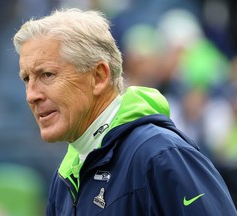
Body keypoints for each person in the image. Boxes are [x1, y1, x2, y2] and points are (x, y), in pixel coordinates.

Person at [13, 8, 237, 215]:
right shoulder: (65, 177)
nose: (31, 95)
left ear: (99, 77)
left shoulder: (161, 154)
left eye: (47, 75)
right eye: (26, 79)